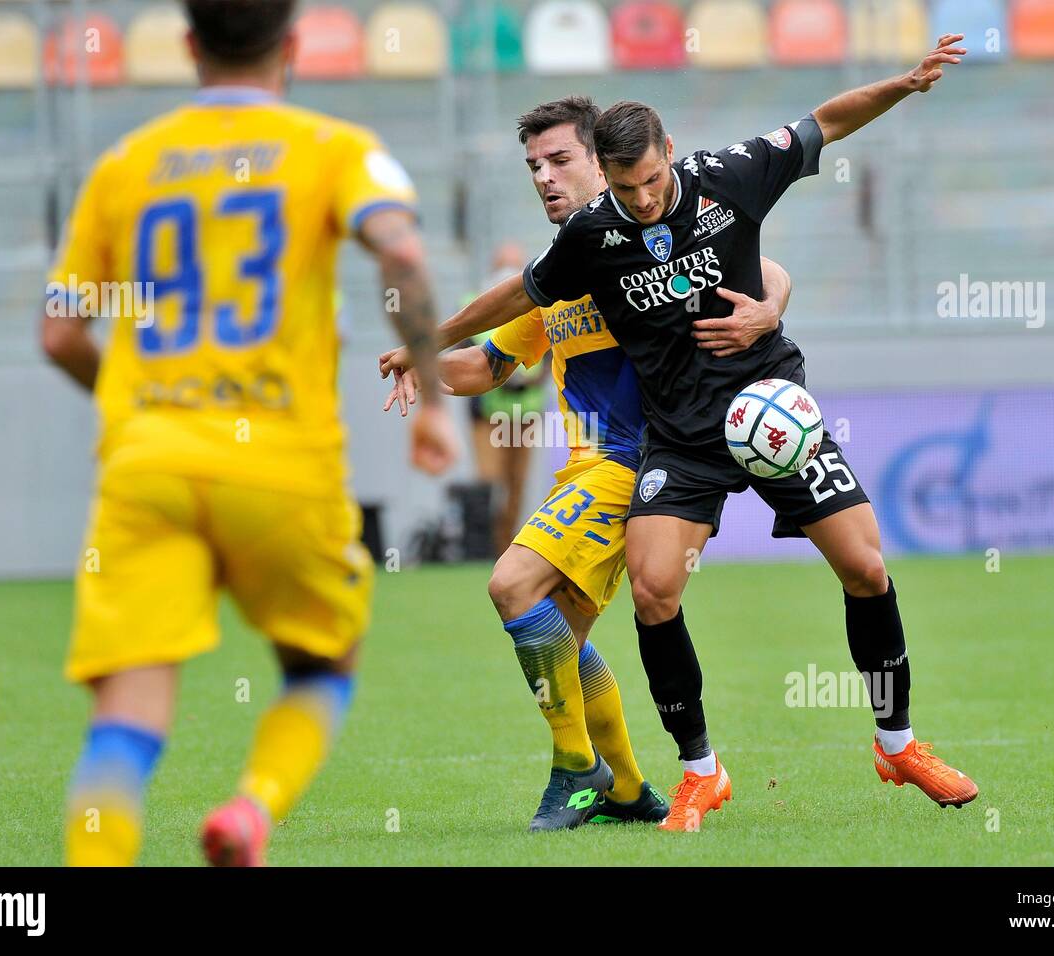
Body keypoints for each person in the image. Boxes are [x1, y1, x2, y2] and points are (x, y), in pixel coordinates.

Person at [383, 36, 979, 832]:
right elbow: (514, 301)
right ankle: (697, 773)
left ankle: (897, 744)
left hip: (769, 410)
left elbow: (826, 123)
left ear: (670, 153)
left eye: (652, 181)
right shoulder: (591, 235)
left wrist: (904, 85)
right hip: (681, 436)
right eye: (627, 189)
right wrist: (426, 345)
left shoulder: (729, 175)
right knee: (655, 590)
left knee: (866, 568)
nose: (644, 201)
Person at [40, 0, 458, 866]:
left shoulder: (124, 165)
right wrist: (432, 405)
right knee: (320, 667)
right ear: (293, 45)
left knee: (122, 721)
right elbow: (405, 254)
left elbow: (60, 330)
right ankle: (250, 812)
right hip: (280, 462)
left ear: (189, 45)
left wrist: (135, 405)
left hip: (147, 462)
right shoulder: (336, 149)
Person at [382, 98, 792, 829]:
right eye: (534, 166)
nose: (544, 177)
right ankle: (627, 789)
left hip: (635, 462)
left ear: (602, 162)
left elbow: (765, 269)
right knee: (561, 641)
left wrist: (766, 310)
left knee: (511, 585)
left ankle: (578, 769)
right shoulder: (570, 261)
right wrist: (423, 361)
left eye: (561, 160)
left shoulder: (644, 240)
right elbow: (489, 364)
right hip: (583, 468)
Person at [462, 242, 551, 557]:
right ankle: (481, 549)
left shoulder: (540, 304)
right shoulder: (475, 304)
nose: (508, 273)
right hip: (489, 414)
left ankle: (503, 550)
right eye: (503, 265)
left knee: (517, 485)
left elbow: (549, 356)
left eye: (515, 265)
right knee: (489, 482)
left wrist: (531, 378)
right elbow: (485, 352)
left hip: (526, 413)